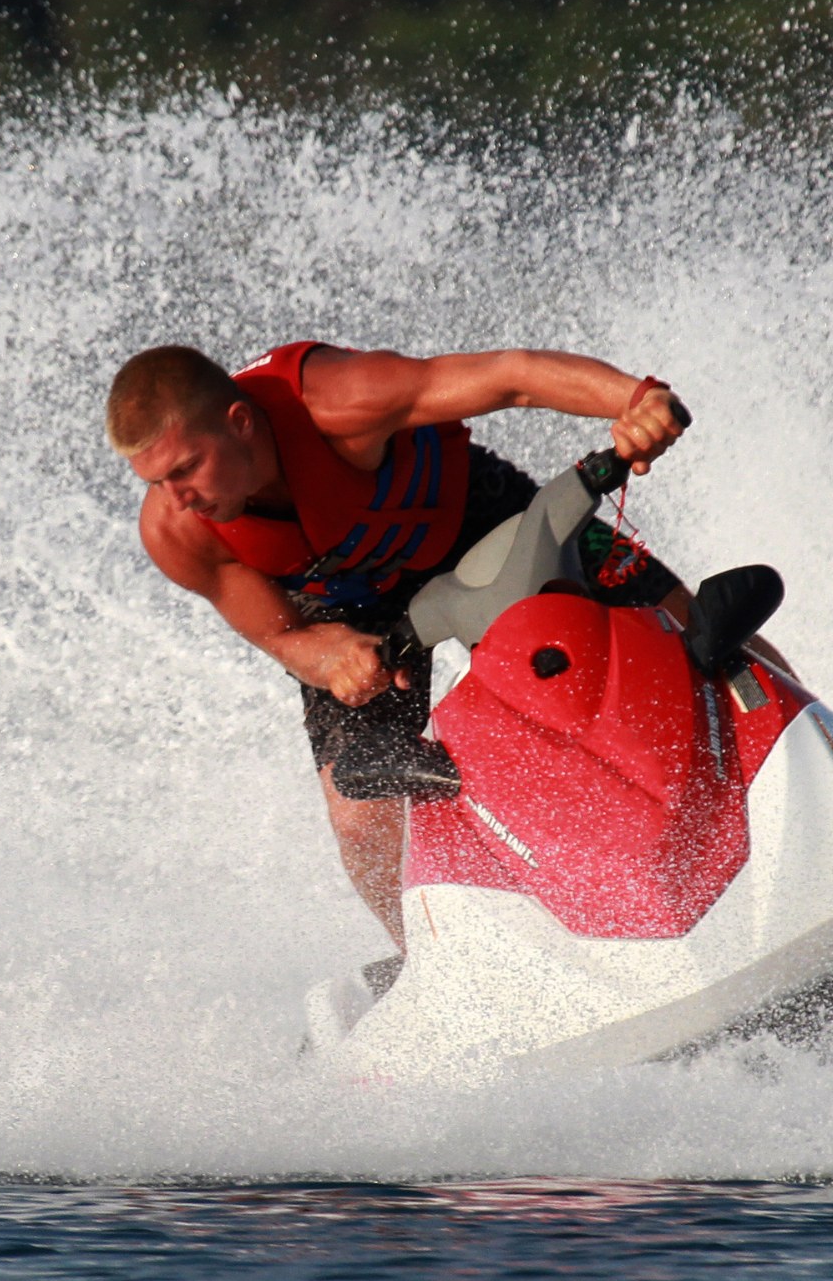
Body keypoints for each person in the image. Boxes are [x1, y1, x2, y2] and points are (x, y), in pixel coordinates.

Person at [107, 341, 718, 951]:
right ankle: (429, 964)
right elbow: (280, 634)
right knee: (358, 814)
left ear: (239, 423)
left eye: (185, 468)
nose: (177, 496)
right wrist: (330, 658)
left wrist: (639, 400)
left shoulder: (340, 401)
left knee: (684, 631)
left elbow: (513, 378)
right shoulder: (175, 533)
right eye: (158, 480)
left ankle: (788, 765)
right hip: (348, 604)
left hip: (466, 515)